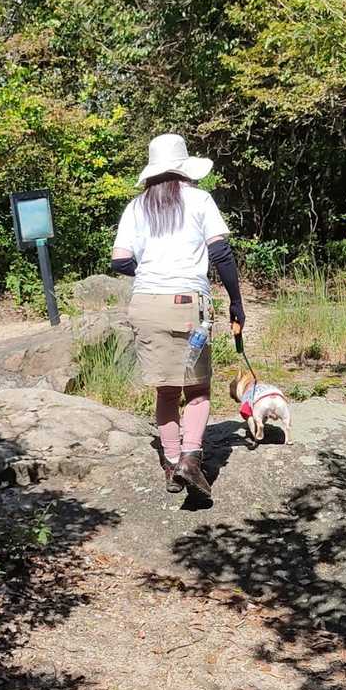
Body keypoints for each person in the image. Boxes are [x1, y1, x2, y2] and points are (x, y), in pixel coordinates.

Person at [111, 133, 245, 499]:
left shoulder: (136, 207)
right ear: (184, 169)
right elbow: (221, 253)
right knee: (197, 389)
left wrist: (150, 273)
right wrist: (236, 302)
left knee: (166, 390)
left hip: (145, 304)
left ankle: (171, 464)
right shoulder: (199, 200)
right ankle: (190, 458)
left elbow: (120, 260)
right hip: (187, 304)